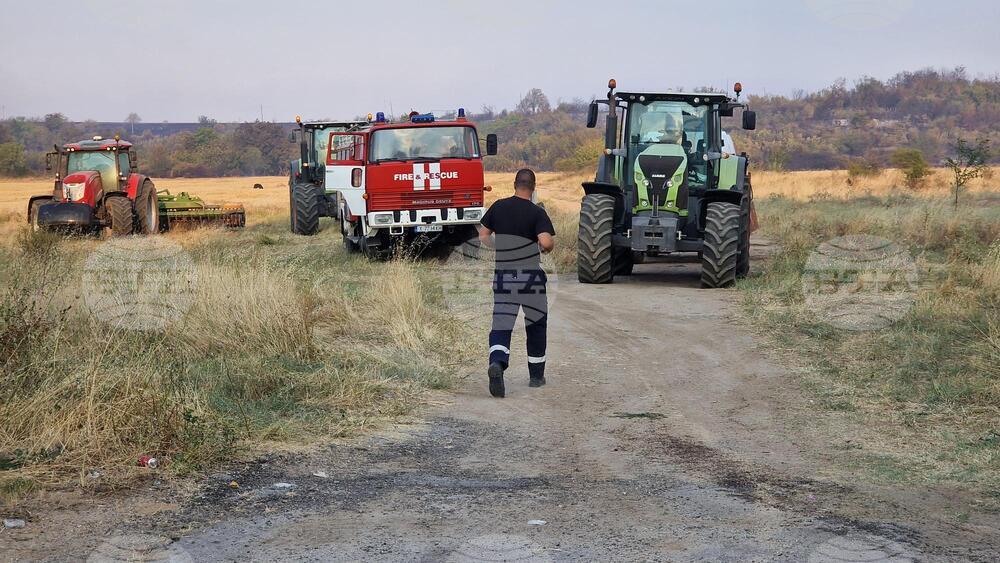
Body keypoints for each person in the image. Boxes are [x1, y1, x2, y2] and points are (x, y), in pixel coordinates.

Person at [478, 169, 555, 398]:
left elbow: (483, 235)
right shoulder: (537, 212)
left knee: (502, 323)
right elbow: (546, 242)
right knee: (536, 323)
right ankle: (536, 376)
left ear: (514, 184)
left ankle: (497, 363)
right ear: (533, 187)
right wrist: (544, 248)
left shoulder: (498, 206)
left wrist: (499, 247)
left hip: (504, 275)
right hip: (531, 277)